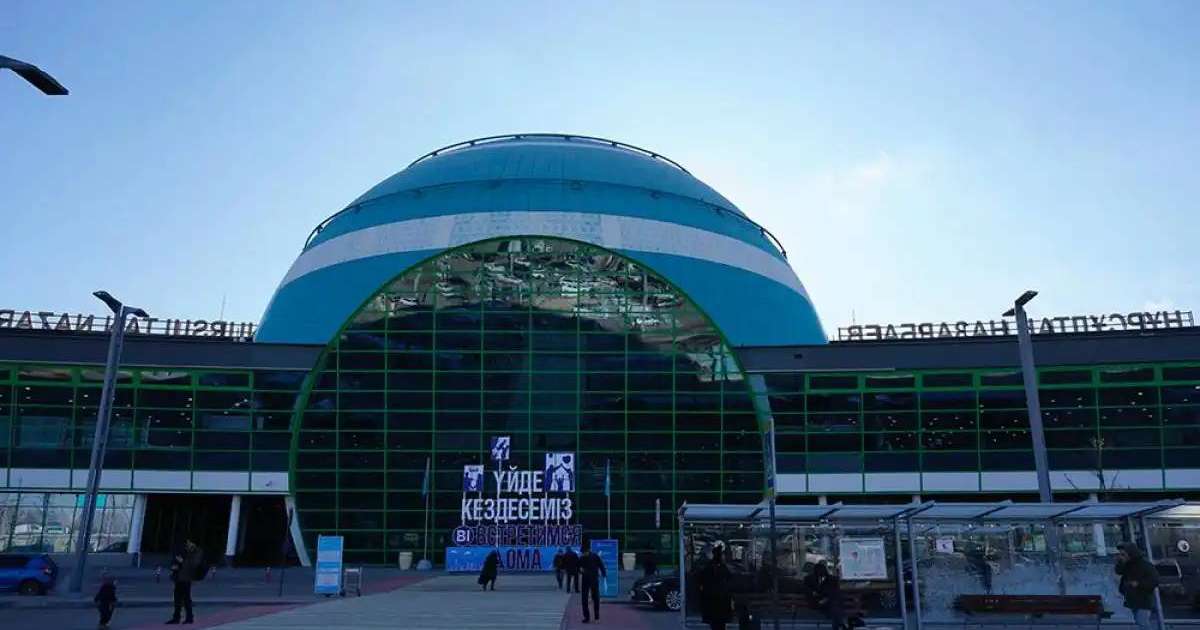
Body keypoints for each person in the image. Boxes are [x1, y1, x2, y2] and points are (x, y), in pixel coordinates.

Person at [1116, 542, 1159, 630]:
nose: (1121, 556)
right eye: (1120, 554)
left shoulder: (1145, 565)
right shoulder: (1128, 565)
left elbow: (1154, 581)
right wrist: (1120, 561)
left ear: (1130, 554)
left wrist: (1138, 584)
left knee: (1142, 623)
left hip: (1143, 601)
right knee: (1137, 623)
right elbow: (1118, 571)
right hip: (1131, 600)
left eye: (1123, 554)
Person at [167, 539, 204, 625]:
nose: (188, 544)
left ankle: (189, 617)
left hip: (187, 578)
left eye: (190, 543)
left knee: (186, 598)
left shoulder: (197, 552)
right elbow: (176, 561)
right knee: (177, 598)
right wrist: (174, 566)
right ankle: (176, 617)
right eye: (187, 543)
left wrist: (182, 561)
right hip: (179, 577)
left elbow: (195, 564)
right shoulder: (185, 550)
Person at [698, 545, 734, 630]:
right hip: (720, 599)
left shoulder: (709, 566)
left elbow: (701, 579)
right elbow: (729, 577)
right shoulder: (721, 567)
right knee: (720, 623)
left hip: (712, 600)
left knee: (715, 623)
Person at [808, 561, 845, 630]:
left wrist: (827, 599)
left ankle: (837, 626)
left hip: (830, 601)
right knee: (835, 606)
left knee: (834, 605)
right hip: (818, 602)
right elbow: (807, 590)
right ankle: (840, 625)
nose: (820, 573)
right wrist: (814, 594)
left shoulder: (832, 579)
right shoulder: (809, 579)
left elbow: (836, 592)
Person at [578, 541, 607, 624]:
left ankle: (597, 617)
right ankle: (586, 617)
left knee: (596, 599)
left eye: (584, 553)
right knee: (584, 599)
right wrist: (580, 570)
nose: (583, 554)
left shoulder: (595, 556)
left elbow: (601, 565)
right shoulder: (582, 558)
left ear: (587, 551)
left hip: (594, 579)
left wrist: (604, 573)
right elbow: (578, 566)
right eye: (582, 553)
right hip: (585, 580)